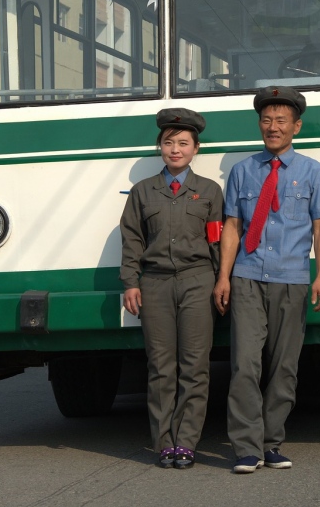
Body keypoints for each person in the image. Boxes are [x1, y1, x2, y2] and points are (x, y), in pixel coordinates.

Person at [213, 86, 320, 474]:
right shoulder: (242, 171)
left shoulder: (314, 172)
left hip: (293, 278)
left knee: (284, 366)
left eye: (281, 120)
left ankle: (272, 442)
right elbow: (232, 227)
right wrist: (224, 277)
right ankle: (246, 448)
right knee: (245, 364)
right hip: (248, 276)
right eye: (266, 120)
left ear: (296, 127)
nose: (273, 126)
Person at [119, 108, 224, 470]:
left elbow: (217, 242)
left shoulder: (209, 191)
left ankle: (187, 442)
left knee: (195, 366)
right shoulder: (142, 191)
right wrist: (130, 282)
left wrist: (222, 282)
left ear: (196, 148)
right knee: (161, 367)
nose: (175, 149)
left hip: (198, 282)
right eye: (168, 143)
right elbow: (132, 239)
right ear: (159, 147)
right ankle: (164, 442)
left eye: (183, 143)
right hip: (155, 283)